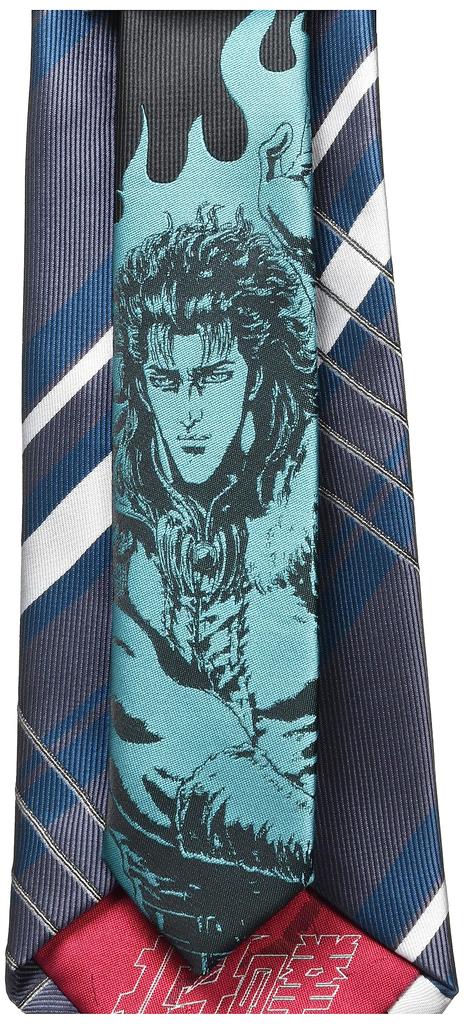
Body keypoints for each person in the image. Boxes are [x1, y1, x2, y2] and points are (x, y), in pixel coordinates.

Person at [104, 124, 319, 967]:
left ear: (254, 373)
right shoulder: (124, 532)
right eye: (167, 381)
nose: (189, 412)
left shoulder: (295, 516)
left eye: (213, 377)